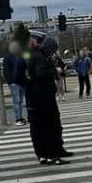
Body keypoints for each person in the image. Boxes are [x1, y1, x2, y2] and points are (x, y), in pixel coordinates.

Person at [25, 32, 72, 165]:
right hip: (43, 96)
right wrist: (55, 71)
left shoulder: (34, 55)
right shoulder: (40, 57)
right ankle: (52, 154)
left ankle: (46, 154)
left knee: (44, 126)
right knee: (49, 126)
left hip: (38, 96)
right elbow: (40, 73)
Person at [3, 41, 28, 126]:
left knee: (21, 100)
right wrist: (11, 82)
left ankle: (21, 117)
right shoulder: (8, 57)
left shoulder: (19, 55)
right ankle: (18, 118)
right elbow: (6, 71)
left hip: (21, 81)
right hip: (15, 83)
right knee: (17, 101)